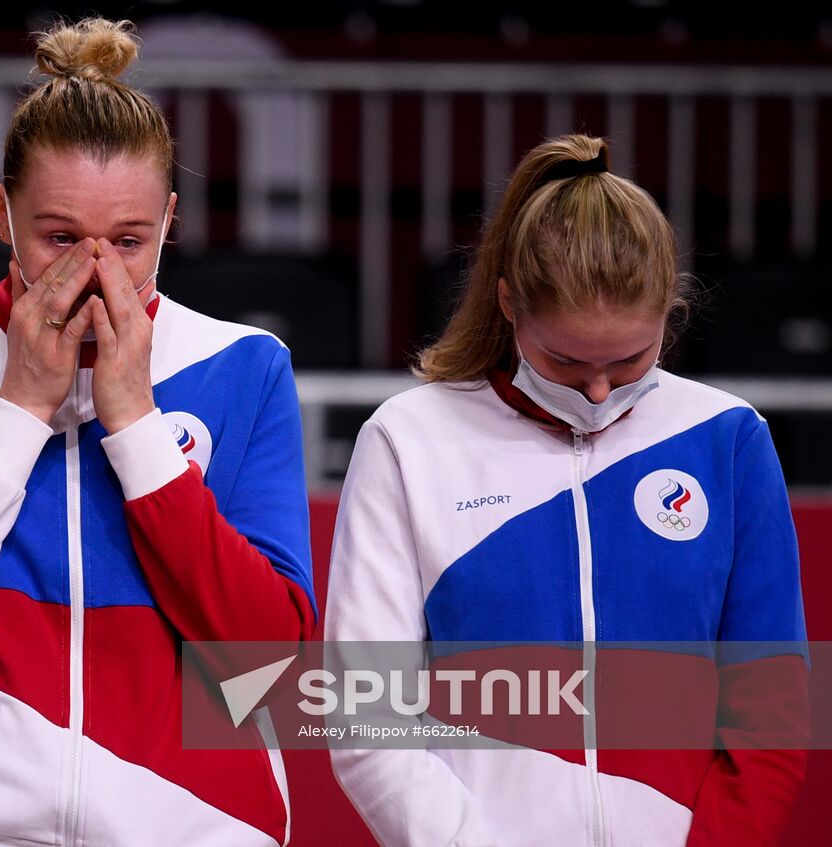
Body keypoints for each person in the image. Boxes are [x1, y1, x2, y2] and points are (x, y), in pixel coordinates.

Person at [0, 16, 316, 847]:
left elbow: (268, 670)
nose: (94, 274)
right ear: (1, 213)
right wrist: (17, 408)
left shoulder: (245, 367)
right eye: (59, 237)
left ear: (171, 220)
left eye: (129, 242)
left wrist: (137, 427)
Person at [325, 135, 809, 846]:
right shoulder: (409, 440)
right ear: (509, 304)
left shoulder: (728, 438)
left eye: (630, 359)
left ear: (670, 313)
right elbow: (366, 717)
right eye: (566, 360)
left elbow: (771, 715)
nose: (599, 388)